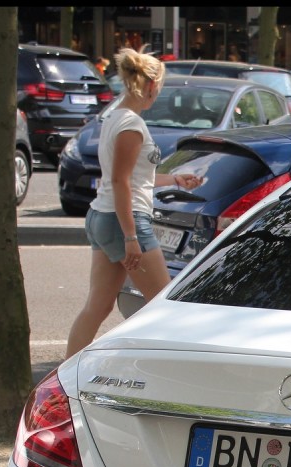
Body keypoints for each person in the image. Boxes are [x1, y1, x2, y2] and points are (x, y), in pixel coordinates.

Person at [66, 48, 205, 359]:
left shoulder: (114, 115)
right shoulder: (131, 126)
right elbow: (121, 182)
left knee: (97, 306)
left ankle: (66, 376)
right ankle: (161, 373)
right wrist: (131, 236)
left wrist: (175, 179)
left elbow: (132, 177)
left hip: (102, 216)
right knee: (163, 306)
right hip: (122, 221)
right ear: (152, 86)